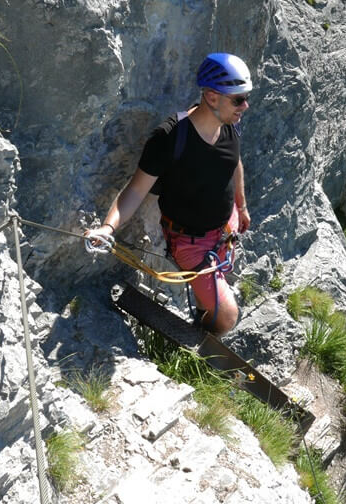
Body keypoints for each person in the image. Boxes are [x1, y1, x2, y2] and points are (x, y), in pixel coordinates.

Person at [85, 53, 253, 334]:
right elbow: (135, 190)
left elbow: (235, 162)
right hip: (191, 242)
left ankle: (205, 304)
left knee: (218, 283)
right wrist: (107, 228)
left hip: (225, 229)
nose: (245, 106)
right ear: (212, 96)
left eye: (245, 97)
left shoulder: (229, 125)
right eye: (238, 99)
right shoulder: (170, 138)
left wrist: (242, 206)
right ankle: (204, 333)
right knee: (226, 316)